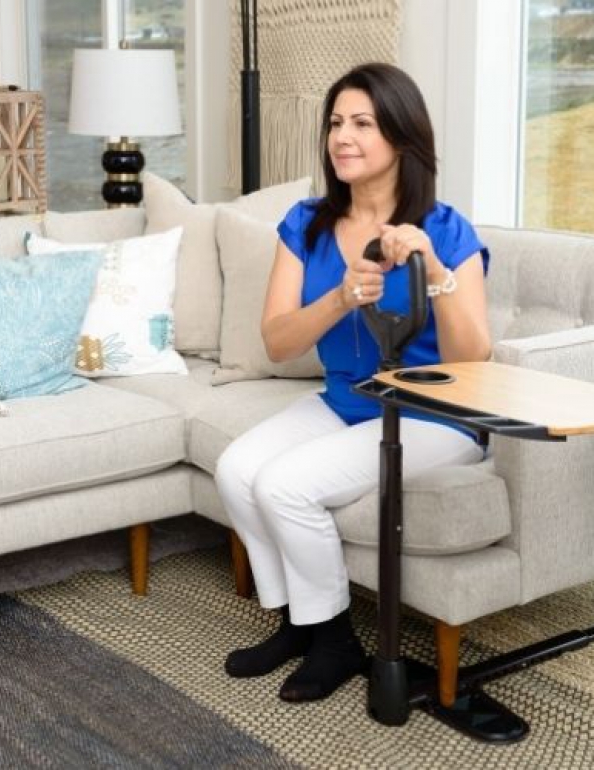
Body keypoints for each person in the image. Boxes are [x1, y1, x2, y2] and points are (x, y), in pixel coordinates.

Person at [215, 62, 491, 703]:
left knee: (285, 485)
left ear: (401, 137)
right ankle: (299, 623)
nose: (343, 137)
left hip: (433, 416)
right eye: (336, 123)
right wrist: (340, 297)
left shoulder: (446, 230)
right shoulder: (306, 223)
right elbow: (279, 342)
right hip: (348, 402)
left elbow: (473, 360)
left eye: (363, 124)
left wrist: (432, 268)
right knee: (236, 468)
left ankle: (335, 641)